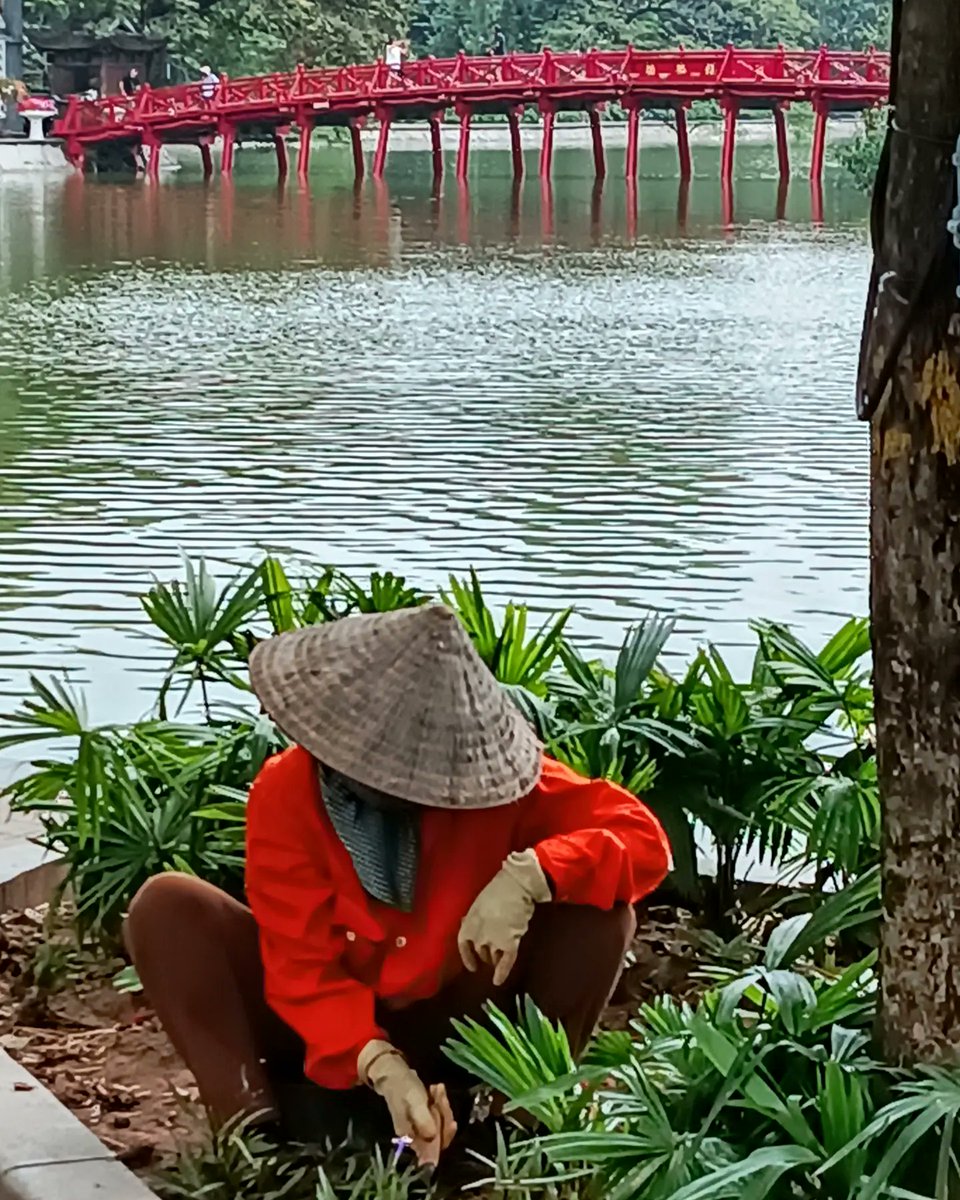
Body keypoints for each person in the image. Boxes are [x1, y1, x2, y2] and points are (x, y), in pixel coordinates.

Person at [124, 606, 672, 1167]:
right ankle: (255, 1136)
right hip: (325, 1026)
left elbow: (643, 840)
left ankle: (515, 1123)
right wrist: (378, 1063)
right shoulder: (288, 790)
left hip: (460, 1021)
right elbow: (300, 963)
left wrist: (531, 875)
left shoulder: (501, 789)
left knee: (602, 915)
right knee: (168, 908)